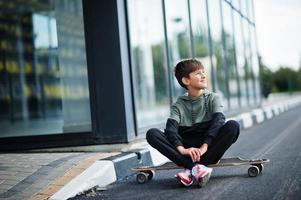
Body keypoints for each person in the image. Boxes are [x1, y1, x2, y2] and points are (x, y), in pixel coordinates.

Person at [146, 58, 240, 187]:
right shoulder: (178, 105)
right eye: (198, 73)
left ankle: (191, 169)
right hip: (187, 150)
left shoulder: (213, 98)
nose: (203, 76)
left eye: (203, 72)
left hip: (208, 149)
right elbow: (171, 129)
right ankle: (197, 169)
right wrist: (183, 150)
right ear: (186, 80)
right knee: (152, 134)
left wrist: (204, 147)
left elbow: (219, 121)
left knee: (233, 126)